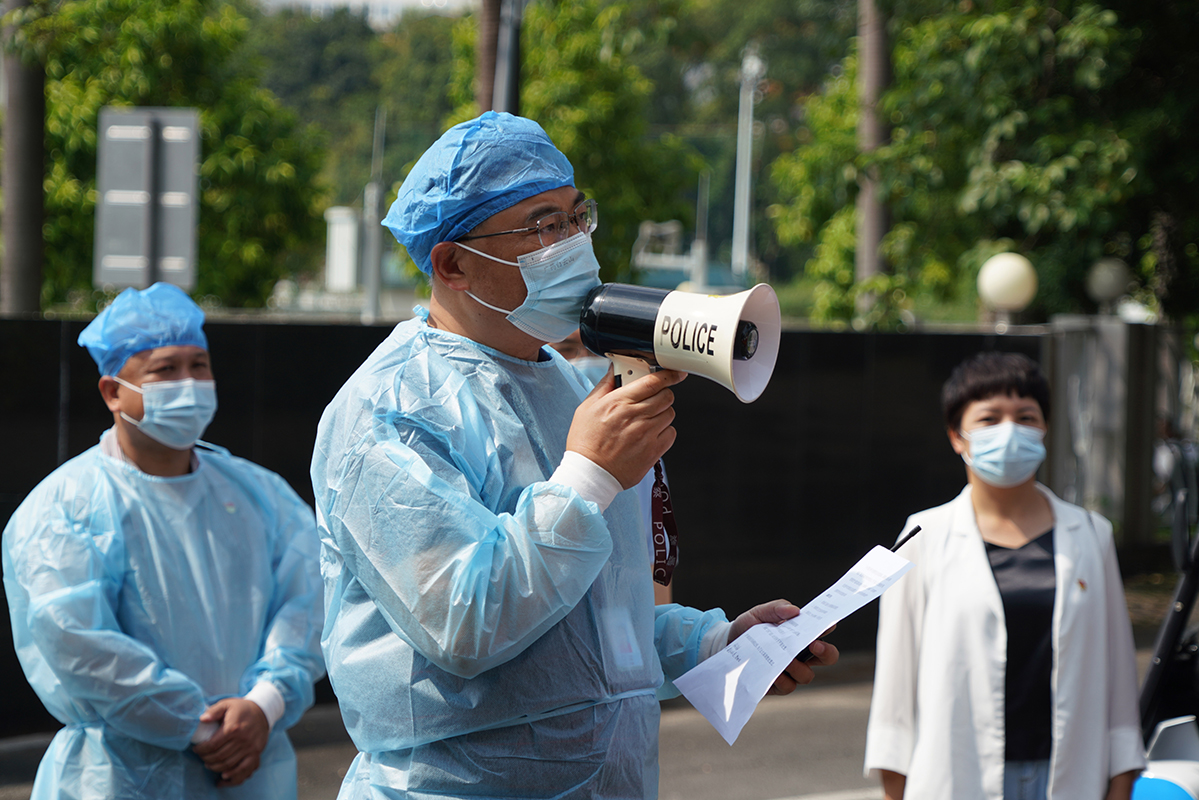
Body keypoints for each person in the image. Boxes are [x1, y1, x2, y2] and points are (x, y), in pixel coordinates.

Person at [311, 111, 837, 800]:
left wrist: (717, 643)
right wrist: (587, 476)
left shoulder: (568, 388)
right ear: (452, 263)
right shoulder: (390, 411)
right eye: (538, 226)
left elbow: (599, 613)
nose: (568, 243)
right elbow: (465, 625)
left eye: (572, 217)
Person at [2, 283, 326, 800]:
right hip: (118, 777)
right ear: (112, 392)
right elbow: (78, 644)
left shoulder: (258, 493)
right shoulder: (67, 507)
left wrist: (264, 703)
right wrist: (205, 729)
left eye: (200, 365)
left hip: (254, 769)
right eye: (164, 370)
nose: (190, 382)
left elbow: (310, 598)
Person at [863, 351, 1145, 800]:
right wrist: (894, 780)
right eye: (990, 418)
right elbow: (897, 672)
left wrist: (1123, 774)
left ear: (1045, 429)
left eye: (1026, 416)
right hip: (954, 773)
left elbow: (1116, 668)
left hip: (1073, 772)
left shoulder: (1091, 534)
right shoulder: (923, 535)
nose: (1010, 431)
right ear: (957, 436)